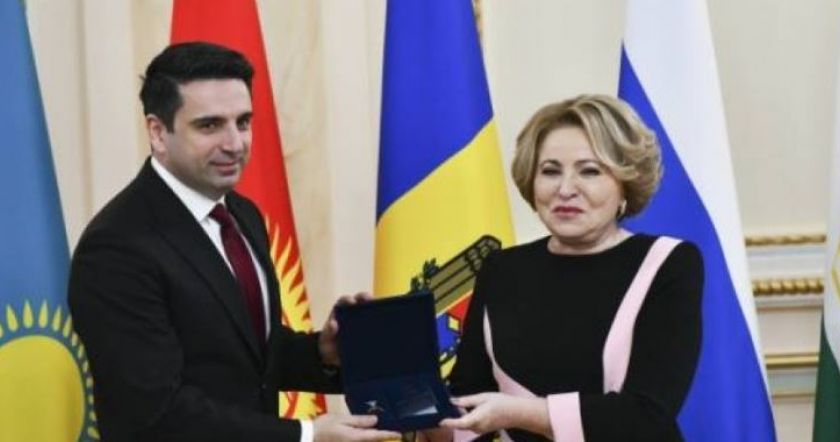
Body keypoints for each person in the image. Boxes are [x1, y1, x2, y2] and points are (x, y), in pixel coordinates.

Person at [68, 42, 400, 442]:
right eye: (209, 126)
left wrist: (321, 353)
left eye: (243, 122)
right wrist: (305, 435)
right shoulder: (116, 248)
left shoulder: (242, 214)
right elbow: (155, 412)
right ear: (158, 132)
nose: (235, 143)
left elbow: (244, 356)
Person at [433, 95, 703, 441]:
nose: (565, 189)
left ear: (626, 183)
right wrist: (411, 406)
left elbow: (647, 416)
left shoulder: (667, 262)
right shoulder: (502, 268)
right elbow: (468, 413)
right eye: (550, 171)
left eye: (589, 171)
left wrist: (519, 413)